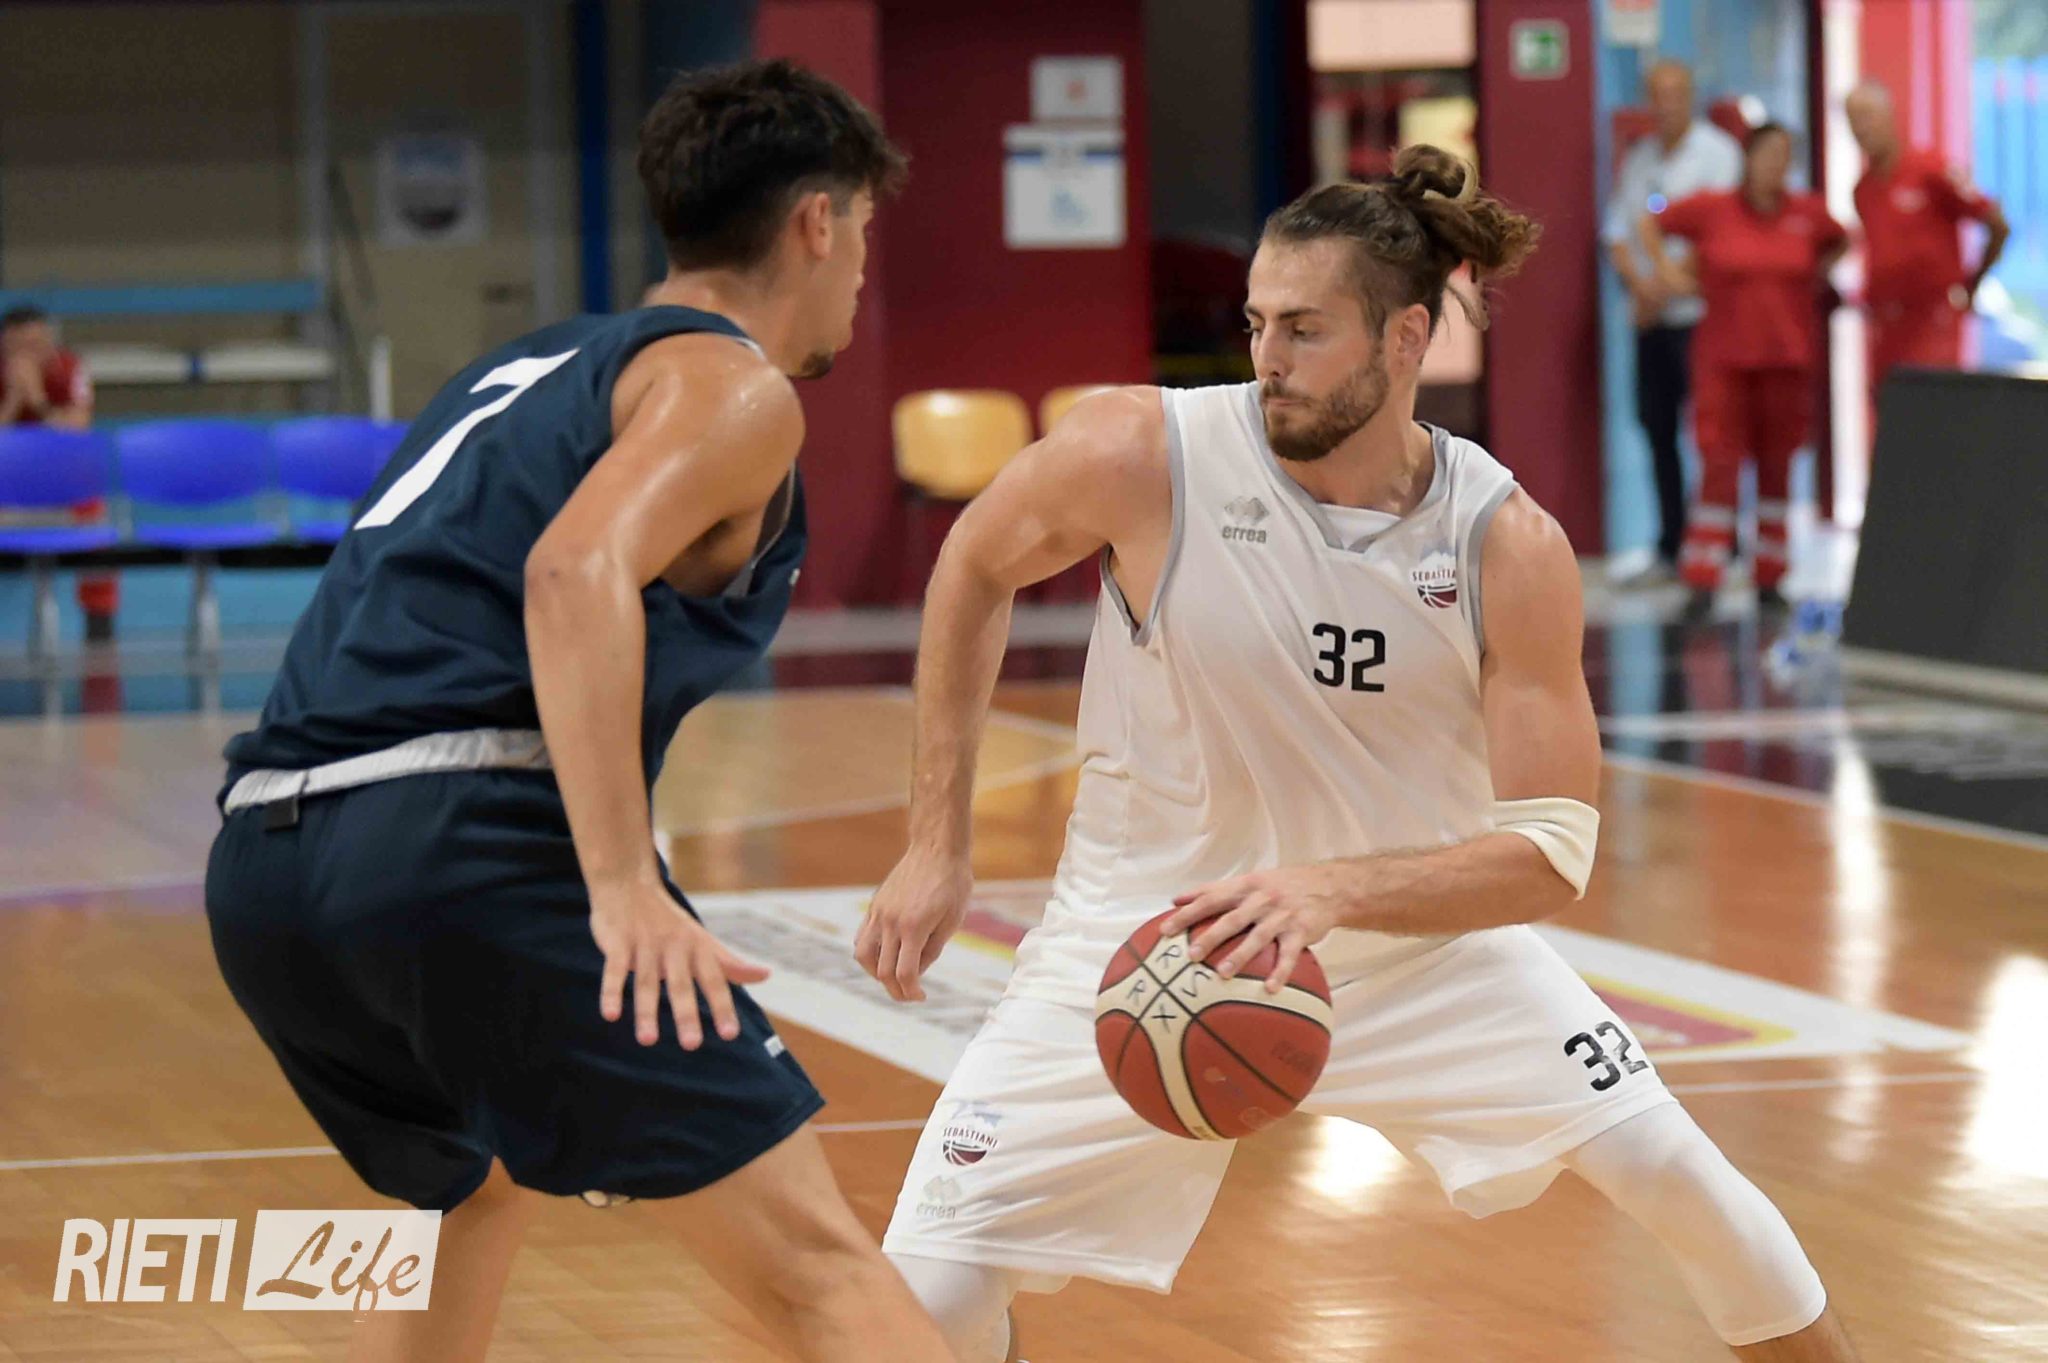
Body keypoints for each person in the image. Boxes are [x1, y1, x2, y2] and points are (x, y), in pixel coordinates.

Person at [858, 145, 1861, 1363]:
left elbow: (1552, 852)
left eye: (1304, 329)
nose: (1266, 358)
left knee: (1677, 1175)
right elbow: (971, 566)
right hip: (1141, 949)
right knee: (925, 1305)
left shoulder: (1505, 543)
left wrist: (1332, 892)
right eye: (1255, 323)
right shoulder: (1139, 452)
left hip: (1411, 950)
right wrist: (934, 845)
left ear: (1405, 338)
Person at [203, 60, 954, 1363]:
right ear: (816, 221)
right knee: (817, 1266)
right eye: (864, 235)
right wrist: (621, 884)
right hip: (457, 843)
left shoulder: (522, 367)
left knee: (467, 1191)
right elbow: (571, 572)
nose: (857, 275)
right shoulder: (732, 387)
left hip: (266, 863)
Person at [1640, 124, 1847, 618]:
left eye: (1784, 155)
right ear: (1748, 159)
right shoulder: (1714, 209)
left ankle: (1771, 577)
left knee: (1778, 470)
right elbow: (1651, 222)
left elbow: (1840, 241)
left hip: (1788, 362)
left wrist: (1819, 274)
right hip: (1725, 363)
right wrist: (1667, 274)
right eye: (1766, 153)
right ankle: (1703, 578)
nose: (1774, 164)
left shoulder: (1807, 214)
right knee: (1719, 467)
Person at [1602, 60, 1743, 583]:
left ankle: (1723, 544)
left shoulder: (1718, 156)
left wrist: (1660, 287)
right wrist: (1642, 288)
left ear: (1690, 96)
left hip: (1701, 319)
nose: (1664, 105)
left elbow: (1717, 237)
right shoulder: (1640, 159)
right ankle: (1671, 543)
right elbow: (1618, 231)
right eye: (1656, 95)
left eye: (1674, 94)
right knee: (1657, 429)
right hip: (1651, 322)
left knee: (1712, 435)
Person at [1844, 81, 2009, 401]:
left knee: (1934, 407)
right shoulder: (1863, 190)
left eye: (1867, 116)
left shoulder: (1932, 170)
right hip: (1886, 324)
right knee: (1890, 408)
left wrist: (1973, 283)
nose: (1861, 128)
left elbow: (1996, 224)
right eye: (1853, 120)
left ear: (1890, 116)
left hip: (1933, 323)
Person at [1, 305, 118, 641]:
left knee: (96, 522)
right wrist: (14, 399)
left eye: (37, 345)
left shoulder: (69, 367)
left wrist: (37, 399)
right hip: (7, 491)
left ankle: (99, 629)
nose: (29, 355)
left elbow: (77, 431)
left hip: (60, 489)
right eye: (19, 347)